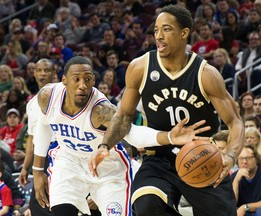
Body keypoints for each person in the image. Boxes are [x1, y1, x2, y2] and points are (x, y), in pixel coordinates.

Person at [90, 4, 245, 216]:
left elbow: (235, 122)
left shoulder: (206, 74)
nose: (159, 36)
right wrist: (104, 145)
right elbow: (124, 115)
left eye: (166, 29)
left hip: (200, 156)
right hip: (158, 157)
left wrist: (230, 155)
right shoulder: (140, 68)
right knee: (146, 205)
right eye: (156, 30)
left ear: (184, 33)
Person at [32, 56, 211, 216]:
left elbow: (132, 133)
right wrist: (37, 171)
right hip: (69, 162)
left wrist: (170, 137)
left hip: (107, 169)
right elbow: (43, 125)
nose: (82, 85)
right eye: (76, 79)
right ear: (64, 80)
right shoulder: (47, 97)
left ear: (94, 80)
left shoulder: (101, 111)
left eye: (87, 79)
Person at [18, 58, 57, 216]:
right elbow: (32, 140)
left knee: (57, 203)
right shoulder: (31, 103)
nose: (42, 74)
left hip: (59, 152)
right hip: (41, 157)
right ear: (34, 73)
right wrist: (25, 167)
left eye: (47, 70)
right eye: (39, 70)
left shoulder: (62, 93)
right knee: (38, 205)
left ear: (54, 73)